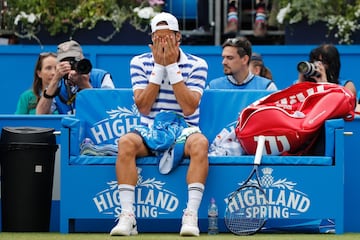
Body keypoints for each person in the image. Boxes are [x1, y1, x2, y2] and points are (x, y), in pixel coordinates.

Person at [109, 12, 209, 237]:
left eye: (167, 38)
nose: (162, 43)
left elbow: (189, 108)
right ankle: (128, 217)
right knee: (126, 142)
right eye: (158, 38)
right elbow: (143, 107)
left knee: (201, 144)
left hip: (185, 128)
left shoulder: (198, 64)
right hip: (151, 128)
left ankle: (190, 215)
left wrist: (172, 67)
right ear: (151, 40)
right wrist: (158, 68)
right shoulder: (138, 62)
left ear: (178, 38)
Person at [36, 40, 115, 115]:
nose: (71, 66)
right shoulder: (57, 84)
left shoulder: (101, 77)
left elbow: (110, 109)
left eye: (74, 62)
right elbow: (40, 115)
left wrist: (85, 85)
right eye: (66, 63)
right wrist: (54, 81)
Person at [207, 37, 277, 90]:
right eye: (223, 57)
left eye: (230, 58)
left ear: (244, 59)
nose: (224, 62)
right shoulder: (213, 87)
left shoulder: (267, 88)